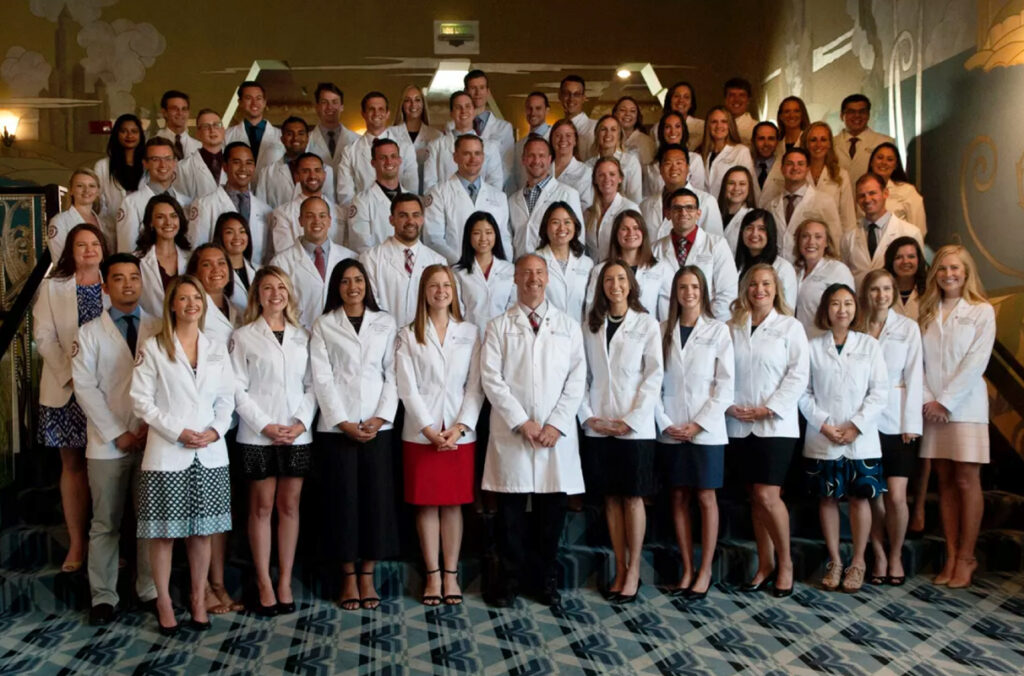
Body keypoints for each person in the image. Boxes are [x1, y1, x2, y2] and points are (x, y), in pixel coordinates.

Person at [129, 274, 234, 635]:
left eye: (197, 299)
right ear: (172, 304)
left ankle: (197, 597)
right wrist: (177, 431)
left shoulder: (216, 347)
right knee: (163, 535)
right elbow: (140, 400)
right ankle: (163, 601)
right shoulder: (155, 346)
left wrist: (215, 430)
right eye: (184, 298)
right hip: (168, 453)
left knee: (202, 533)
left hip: (208, 451)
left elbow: (227, 400)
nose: (191, 304)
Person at [480, 253, 586, 607]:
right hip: (514, 433)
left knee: (550, 518)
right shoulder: (498, 326)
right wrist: (522, 421)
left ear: (548, 278)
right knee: (510, 517)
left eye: (539, 273)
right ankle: (508, 582)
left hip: (554, 437)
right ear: (515, 278)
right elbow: (491, 380)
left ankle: (544, 582)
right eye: (526, 273)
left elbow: (577, 379)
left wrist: (555, 423)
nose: (533, 279)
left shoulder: (568, 326)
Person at [72, 252, 160, 625]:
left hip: (152, 438)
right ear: (105, 287)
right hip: (107, 443)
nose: (128, 284)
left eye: (134, 278)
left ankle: (149, 589)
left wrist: (146, 429)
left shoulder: (158, 327)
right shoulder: (89, 332)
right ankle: (103, 596)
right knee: (105, 521)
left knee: (150, 520)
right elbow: (85, 389)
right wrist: (118, 433)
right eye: (119, 279)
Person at [309, 259, 399, 610]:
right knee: (341, 502)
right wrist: (342, 421)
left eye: (358, 280)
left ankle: (368, 576)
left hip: (378, 426)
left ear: (367, 284)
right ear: (336, 287)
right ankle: (348, 577)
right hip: (337, 429)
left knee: (376, 501)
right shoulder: (324, 324)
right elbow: (322, 377)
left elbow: (393, 373)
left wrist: (379, 418)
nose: (353, 287)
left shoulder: (385, 322)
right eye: (345, 281)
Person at [230, 266, 316, 616]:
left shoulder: (303, 336)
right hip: (257, 435)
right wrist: (265, 425)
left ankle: (285, 582)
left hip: (296, 434)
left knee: (290, 507)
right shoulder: (243, 336)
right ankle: (264, 581)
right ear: (257, 295)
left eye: (281, 287)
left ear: (289, 293)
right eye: (267, 288)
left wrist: (299, 423)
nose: (275, 294)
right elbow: (236, 387)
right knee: (261, 507)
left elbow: (313, 386)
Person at [396, 264, 483, 605]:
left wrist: (460, 426)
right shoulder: (408, 334)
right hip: (422, 433)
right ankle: (432, 576)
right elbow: (408, 388)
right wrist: (429, 429)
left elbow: (475, 387)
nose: (441, 291)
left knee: (453, 505)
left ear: (454, 291)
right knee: (426, 505)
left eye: (446, 285)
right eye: (433, 286)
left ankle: (451, 574)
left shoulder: (470, 332)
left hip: (459, 432)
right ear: (424, 292)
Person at [581, 261, 663, 603]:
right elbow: (581, 375)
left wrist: (632, 418)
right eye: (609, 280)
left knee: (632, 497)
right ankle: (618, 564)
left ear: (630, 285)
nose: (615, 285)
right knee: (610, 498)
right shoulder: (590, 324)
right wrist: (588, 416)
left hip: (634, 427)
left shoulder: (646, 324)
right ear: (601, 286)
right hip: (600, 424)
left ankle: (633, 572)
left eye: (621, 279)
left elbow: (654, 374)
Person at [727, 264, 808, 598]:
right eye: (753, 284)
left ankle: (785, 563)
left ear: (777, 290)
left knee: (767, 495)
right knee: (754, 498)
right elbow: (720, 371)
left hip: (775, 423)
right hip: (739, 422)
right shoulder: (732, 327)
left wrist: (768, 408)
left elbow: (798, 374)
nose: (759, 290)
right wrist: (729, 405)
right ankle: (765, 563)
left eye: (766, 284)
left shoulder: (790, 327)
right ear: (745, 289)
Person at [801, 283, 889, 593]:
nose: (842, 310)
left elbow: (879, 392)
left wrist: (855, 425)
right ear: (826, 309)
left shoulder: (869, 346)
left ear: (856, 309)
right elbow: (804, 391)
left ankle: (859, 562)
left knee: (859, 498)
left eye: (848, 304)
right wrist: (824, 424)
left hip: (859, 438)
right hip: (824, 436)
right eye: (836, 304)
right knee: (827, 498)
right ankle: (835, 560)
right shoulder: (812, 346)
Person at [33, 223, 110, 574]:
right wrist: (74, 377)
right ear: (70, 250)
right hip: (66, 388)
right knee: (74, 466)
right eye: (81, 244)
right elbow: (44, 337)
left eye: (95, 243)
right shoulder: (53, 287)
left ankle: (108, 543)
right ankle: (78, 540)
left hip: (110, 392)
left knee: (109, 467)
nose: (89, 250)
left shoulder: (117, 281)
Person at [918, 245, 995, 588]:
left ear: (966, 273)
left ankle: (967, 556)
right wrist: (928, 401)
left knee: (966, 480)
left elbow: (975, 363)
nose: (949, 274)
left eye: (955, 268)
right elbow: (915, 362)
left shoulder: (981, 311)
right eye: (943, 268)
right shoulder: (926, 310)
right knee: (944, 481)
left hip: (964, 407)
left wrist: (945, 402)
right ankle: (950, 555)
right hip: (931, 407)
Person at [657, 266, 734, 597]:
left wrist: (698, 423)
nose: (689, 293)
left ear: (703, 291)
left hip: (706, 430)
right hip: (672, 426)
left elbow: (725, 385)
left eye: (694, 287)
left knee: (705, 496)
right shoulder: (662, 330)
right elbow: (652, 384)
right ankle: (687, 568)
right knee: (677, 496)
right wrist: (665, 422)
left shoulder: (718, 331)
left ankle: (705, 571)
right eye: (683, 287)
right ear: (675, 292)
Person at [858, 269, 923, 587]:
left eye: (886, 289)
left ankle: (895, 553)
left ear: (894, 292)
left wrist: (912, 423)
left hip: (898, 421)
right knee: (873, 495)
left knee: (896, 496)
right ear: (866, 294)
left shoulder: (908, 328)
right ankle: (879, 554)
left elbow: (914, 376)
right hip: (864, 421)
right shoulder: (857, 327)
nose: (881, 295)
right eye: (874, 290)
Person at [270, 196, 357, 330]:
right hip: (299, 337)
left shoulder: (350, 258)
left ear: (329, 221)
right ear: (301, 221)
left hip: (341, 335)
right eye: (310, 216)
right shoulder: (281, 262)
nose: (317, 221)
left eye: (322, 216)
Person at [360, 193, 446, 327]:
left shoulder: (437, 261)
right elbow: (370, 305)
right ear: (391, 220)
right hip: (385, 338)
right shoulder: (371, 258)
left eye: (416, 215)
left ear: (422, 219)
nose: (410, 221)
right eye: (403, 215)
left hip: (425, 340)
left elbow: (442, 308)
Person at [423, 134, 512, 263]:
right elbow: (433, 239)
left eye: (477, 153)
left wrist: (505, 267)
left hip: (493, 274)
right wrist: (462, 265)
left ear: (483, 157)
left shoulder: (499, 196)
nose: (473, 159)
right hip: (454, 271)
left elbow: (504, 239)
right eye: (466, 154)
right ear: (455, 157)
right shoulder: (438, 193)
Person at [652, 188, 738, 321]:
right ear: (668, 214)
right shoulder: (655, 249)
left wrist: (711, 329)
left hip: (707, 327)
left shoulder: (716, 245)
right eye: (677, 208)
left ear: (698, 214)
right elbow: (649, 296)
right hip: (666, 327)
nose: (683, 212)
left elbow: (727, 293)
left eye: (689, 208)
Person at [189, 142, 272, 265]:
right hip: (218, 277)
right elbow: (196, 250)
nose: (243, 168)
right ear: (225, 166)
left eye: (249, 163)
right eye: (237, 162)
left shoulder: (265, 209)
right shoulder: (204, 205)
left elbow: (267, 254)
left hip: (254, 277)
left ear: (254, 167)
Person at [584, 210, 673, 319]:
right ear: (616, 234)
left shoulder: (661, 268)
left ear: (643, 232)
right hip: (610, 333)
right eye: (624, 229)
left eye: (636, 228)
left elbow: (667, 315)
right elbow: (591, 311)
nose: (631, 233)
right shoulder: (600, 270)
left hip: (648, 333)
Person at [842, 173, 923, 287]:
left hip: (897, 302)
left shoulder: (910, 233)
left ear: (885, 193)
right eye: (861, 196)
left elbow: (919, 277)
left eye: (872, 193)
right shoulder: (848, 237)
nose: (867, 199)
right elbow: (845, 276)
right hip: (861, 302)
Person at [336, 91, 417, 204]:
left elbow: (411, 188)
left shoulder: (406, 148)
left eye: (381, 109)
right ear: (363, 114)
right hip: (364, 214)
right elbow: (345, 195)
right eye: (371, 109)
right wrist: (363, 212)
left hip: (400, 213)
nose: (376, 113)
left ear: (388, 113)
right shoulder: (349, 151)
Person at [507, 136, 583, 256]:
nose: (536, 161)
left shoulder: (568, 194)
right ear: (523, 160)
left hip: (552, 269)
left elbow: (578, 239)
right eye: (531, 155)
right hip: (521, 268)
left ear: (549, 160)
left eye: (541, 156)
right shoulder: (512, 200)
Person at [765, 148, 843, 260]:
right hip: (779, 270)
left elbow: (835, 241)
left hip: (811, 269)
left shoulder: (824, 201)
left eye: (800, 164)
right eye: (789, 164)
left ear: (808, 169)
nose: (795, 168)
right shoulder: (771, 205)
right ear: (782, 169)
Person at [116, 138, 192, 253]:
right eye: (155, 159)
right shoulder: (131, 203)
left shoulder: (186, 201)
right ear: (145, 163)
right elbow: (126, 250)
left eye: (168, 159)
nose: (163, 165)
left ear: (175, 162)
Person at [422, 91, 504, 194]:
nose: (463, 111)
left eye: (467, 106)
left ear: (474, 111)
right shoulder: (435, 146)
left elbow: (495, 185)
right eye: (458, 107)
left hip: (481, 206)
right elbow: (429, 186)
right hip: (446, 206)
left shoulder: (490, 147)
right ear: (451, 113)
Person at [452, 212, 516, 339]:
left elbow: (513, 307)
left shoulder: (510, 269)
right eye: (476, 233)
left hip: (503, 338)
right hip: (469, 339)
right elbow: (458, 311)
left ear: (496, 235)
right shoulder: (457, 272)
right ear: (468, 237)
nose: (483, 238)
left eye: (488, 232)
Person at [267, 153, 344, 257]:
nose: (312, 176)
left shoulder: (340, 212)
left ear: (324, 175)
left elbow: (344, 250)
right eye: (305, 171)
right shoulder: (283, 214)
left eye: (317, 170)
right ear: (297, 176)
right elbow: (284, 255)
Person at [640, 142, 721, 241]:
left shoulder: (707, 201)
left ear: (687, 168)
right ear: (660, 169)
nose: (674, 168)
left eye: (679, 163)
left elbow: (715, 242)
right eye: (668, 163)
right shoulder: (645, 205)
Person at [256, 116, 337, 209]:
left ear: (307, 138)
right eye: (290, 134)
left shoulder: (326, 170)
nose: (295, 138)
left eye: (300, 133)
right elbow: (260, 209)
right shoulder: (267, 173)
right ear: (282, 139)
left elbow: (330, 205)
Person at [790, 121, 856, 234]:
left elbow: (848, 218)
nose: (818, 144)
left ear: (830, 143)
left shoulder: (841, 175)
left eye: (823, 139)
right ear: (805, 143)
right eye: (813, 140)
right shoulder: (796, 172)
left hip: (832, 239)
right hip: (801, 238)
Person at [792, 219, 855, 337]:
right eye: (805, 236)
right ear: (798, 241)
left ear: (826, 242)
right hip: (798, 342)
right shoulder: (794, 271)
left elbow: (849, 311)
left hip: (825, 343)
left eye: (818, 237)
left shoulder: (838, 270)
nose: (811, 242)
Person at [134, 194, 191, 319]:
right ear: (150, 223)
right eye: (160, 217)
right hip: (151, 330)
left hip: (185, 329)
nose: (168, 222)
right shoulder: (137, 260)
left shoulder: (191, 257)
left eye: (173, 216)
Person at [349, 139, 411, 252]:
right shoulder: (361, 202)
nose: (389, 162)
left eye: (393, 156)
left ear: (400, 160)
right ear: (373, 163)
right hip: (377, 266)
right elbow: (361, 247)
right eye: (383, 158)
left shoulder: (412, 199)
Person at [538, 202, 594, 321]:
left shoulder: (587, 264)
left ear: (575, 226)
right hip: (545, 334)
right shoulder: (535, 260)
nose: (562, 228)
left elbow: (591, 306)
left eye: (567, 222)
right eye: (555, 222)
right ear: (545, 227)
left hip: (578, 333)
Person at [733, 209, 798, 308]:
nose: (754, 234)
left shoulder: (783, 268)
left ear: (770, 233)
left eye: (761, 229)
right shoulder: (735, 265)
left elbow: (787, 309)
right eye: (749, 228)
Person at [464, 69, 515, 189]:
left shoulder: (504, 128)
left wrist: (487, 188)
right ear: (466, 91)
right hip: (463, 189)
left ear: (488, 92)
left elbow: (507, 166)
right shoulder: (452, 127)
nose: (478, 93)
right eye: (473, 88)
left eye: (482, 88)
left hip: (492, 190)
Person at [47, 168, 112, 261]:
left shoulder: (105, 223)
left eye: (92, 186)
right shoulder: (59, 222)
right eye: (80, 186)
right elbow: (60, 261)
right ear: (71, 191)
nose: (86, 190)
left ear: (98, 191)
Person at [388, 84, 442, 194]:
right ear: (402, 105)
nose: (413, 104)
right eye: (408, 100)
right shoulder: (390, 134)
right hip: (397, 196)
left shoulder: (436, 136)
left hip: (428, 196)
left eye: (417, 100)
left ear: (423, 104)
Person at [223, 80, 283, 177]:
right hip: (238, 189)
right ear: (240, 102)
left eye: (258, 98)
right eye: (248, 98)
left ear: (264, 102)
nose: (254, 103)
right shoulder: (227, 136)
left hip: (270, 190)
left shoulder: (281, 136)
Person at [867, 142, 927, 236]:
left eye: (890, 159)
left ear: (895, 165)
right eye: (880, 158)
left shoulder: (907, 191)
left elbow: (919, 229)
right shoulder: (862, 190)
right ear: (871, 162)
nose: (884, 162)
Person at [643, 112, 708, 196]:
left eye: (677, 126)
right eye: (668, 127)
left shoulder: (694, 159)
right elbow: (648, 196)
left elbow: (698, 193)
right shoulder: (653, 165)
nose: (673, 131)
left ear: (683, 130)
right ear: (661, 131)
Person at [585, 157, 639, 260]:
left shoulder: (629, 208)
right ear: (595, 180)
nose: (607, 179)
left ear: (620, 178)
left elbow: (636, 249)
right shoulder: (588, 213)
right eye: (601, 175)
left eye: (612, 174)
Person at [835, 94, 895, 185]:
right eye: (851, 112)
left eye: (862, 112)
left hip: (871, 197)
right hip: (835, 198)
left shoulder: (884, 142)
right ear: (841, 115)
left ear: (868, 115)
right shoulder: (830, 143)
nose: (857, 116)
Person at [186, 243, 239, 346]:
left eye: (221, 263)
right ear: (195, 273)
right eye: (207, 264)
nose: (216, 269)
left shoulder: (237, 311)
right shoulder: (191, 310)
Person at [94, 113, 145, 218]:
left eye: (134, 131)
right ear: (116, 134)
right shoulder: (102, 166)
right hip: (111, 226)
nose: (129, 135)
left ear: (140, 135)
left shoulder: (148, 164)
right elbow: (98, 199)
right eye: (123, 131)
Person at [701, 106, 757, 201]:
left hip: (732, 211)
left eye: (724, 121)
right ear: (708, 126)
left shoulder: (741, 151)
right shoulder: (701, 153)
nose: (719, 126)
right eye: (714, 122)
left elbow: (750, 187)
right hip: (706, 210)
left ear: (730, 125)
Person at [585, 115, 642, 203]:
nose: (608, 134)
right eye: (603, 129)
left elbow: (635, 199)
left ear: (619, 135)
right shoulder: (588, 165)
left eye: (613, 129)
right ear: (597, 134)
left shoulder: (630, 162)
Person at [305, 83, 360, 170]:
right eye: (324, 102)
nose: (330, 107)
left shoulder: (357, 140)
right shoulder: (306, 141)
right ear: (317, 107)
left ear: (342, 107)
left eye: (335, 102)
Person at [175, 109, 226, 202]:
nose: (212, 130)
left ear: (223, 130)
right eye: (206, 126)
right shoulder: (183, 167)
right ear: (198, 134)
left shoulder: (235, 162)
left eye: (216, 125)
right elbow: (181, 203)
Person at [212, 212, 256, 312]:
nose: (237, 237)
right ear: (220, 236)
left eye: (242, 231)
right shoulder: (215, 274)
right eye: (229, 232)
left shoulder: (258, 270)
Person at [511, 92, 553, 191]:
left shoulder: (555, 141)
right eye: (529, 108)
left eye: (538, 108)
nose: (533, 113)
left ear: (547, 110)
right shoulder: (518, 146)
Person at [550, 118, 594, 210]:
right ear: (551, 140)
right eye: (558, 135)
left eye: (568, 135)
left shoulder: (585, 171)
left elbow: (586, 206)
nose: (563, 139)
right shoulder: (543, 169)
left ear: (575, 141)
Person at [651, 81, 704, 152]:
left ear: (691, 103)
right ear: (669, 100)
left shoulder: (702, 127)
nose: (681, 100)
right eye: (676, 96)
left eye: (686, 97)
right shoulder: (656, 128)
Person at [884, 236, 927, 321]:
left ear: (919, 260)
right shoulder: (883, 290)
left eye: (911, 256)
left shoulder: (930, 289)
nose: (905, 261)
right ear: (890, 261)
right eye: (898, 257)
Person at [559, 75, 597, 161]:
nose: (571, 99)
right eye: (567, 93)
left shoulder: (595, 129)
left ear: (584, 98)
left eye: (576, 94)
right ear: (560, 96)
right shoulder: (555, 131)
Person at [719, 166, 757, 253]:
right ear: (724, 186)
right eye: (731, 183)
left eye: (742, 184)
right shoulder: (715, 213)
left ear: (749, 188)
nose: (736, 188)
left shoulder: (753, 217)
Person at [156, 90, 201, 159]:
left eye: (184, 109)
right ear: (164, 112)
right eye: (174, 109)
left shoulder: (199, 146)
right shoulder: (153, 143)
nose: (180, 113)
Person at [614, 96, 655, 166]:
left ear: (637, 116)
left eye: (632, 111)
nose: (627, 114)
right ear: (615, 113)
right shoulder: (609, 138)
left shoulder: (646, 142)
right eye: (623, 110)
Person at [723, 78, 757, 144]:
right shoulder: (715, 127)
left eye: (742, 95)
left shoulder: (756, 129)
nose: (736, 99)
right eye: (732, 95)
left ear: (748, 100)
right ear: (725, 99)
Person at [751, 121, 780, 192]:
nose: (766, 143)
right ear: (753, 141)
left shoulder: (783, 168)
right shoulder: (747, 165)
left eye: (771, 139)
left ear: (777, 142)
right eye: (761, 138)